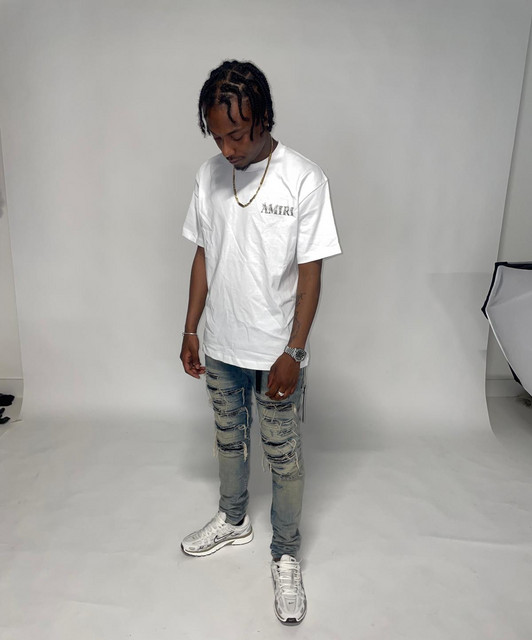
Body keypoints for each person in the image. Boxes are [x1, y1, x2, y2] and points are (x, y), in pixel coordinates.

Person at [180, 60, 341, 625]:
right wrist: (190, 327)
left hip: (276, 355)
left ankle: (286, 553)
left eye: (238, 135)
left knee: (283, 457)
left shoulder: (304, 178)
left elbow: (311, 274)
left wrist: (294, 352)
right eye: (217, 136)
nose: (227, 149)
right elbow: (203, 255)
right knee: (229, 442)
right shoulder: (209, 176)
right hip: (221, 345)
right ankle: (233, 520)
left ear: (264, 118)